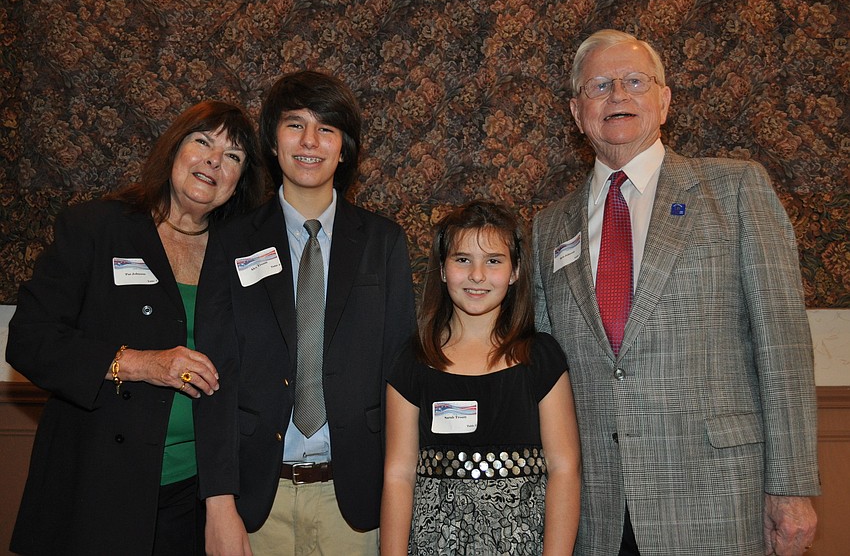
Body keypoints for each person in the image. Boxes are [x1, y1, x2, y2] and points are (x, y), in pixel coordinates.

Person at [532, 29, 820, 555]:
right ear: (577, 113)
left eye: (635, 81)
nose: (618, 94)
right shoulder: (549, 228)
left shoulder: (735, 190)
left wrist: (792, 485)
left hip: (719, 496)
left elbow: (784, 348)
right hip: (595, 508)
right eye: (599, 85)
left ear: (664, 100)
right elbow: (544, 370)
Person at [6, 100, 266, 555]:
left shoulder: (240, 255)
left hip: (193, 496)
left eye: (233, 157)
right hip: (95, 487)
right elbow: (30, 339)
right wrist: (140, 364)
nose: (213, 161)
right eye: (202, 142)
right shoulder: (96, 228)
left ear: (240, 181)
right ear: (174, 150)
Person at [194, 70, 416, 556]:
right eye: (295, 125)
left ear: (345, 147)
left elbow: (402, 374)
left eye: (327, 128)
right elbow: (213, 379)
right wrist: (218, 504)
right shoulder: (232, 243)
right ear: (273, 142)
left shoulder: (382, 242)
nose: (309, 141)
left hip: (356, 505)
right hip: (256, 503)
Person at [381, 200, 581, 555]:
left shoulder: (541, 358)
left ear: (516, 271)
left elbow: (564, 469)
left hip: (523, 541)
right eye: (462, 259)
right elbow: (399, 475)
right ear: (442, 270)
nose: (477, 275)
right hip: (434, 544)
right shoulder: (413, 361)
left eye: (493, 260)